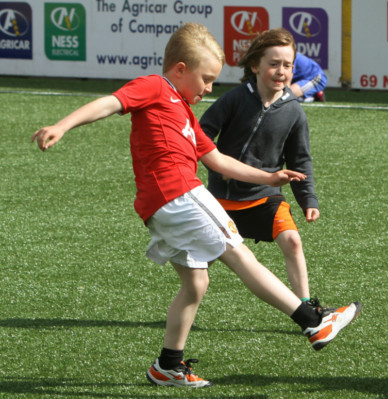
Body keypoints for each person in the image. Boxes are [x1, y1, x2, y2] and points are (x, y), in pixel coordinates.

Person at [31, 22, 361, 389]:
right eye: (205, 79)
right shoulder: (156, 86)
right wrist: (63, 125)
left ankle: (167, 366)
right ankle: (311, 321)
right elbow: (111, 102)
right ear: (180, 70)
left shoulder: (185, 113)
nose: (208, 89)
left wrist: (269, 178)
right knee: (239, 254)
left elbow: (217, 159)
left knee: (195, 284)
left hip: (161, 206)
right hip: (178, 194)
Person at [199, 28, 322, 306]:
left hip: (263, 197)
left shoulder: (294, 111)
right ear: (255, 65)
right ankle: (188, 303)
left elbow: (300, 161)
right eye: (274, 63)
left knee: (292, 241)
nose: (281, 71)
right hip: (221, 199)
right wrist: (216, 164)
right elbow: (202, 133)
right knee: (198, 270)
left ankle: (306, 305)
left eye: (288, 65)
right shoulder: (235, 98)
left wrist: (308, 199)